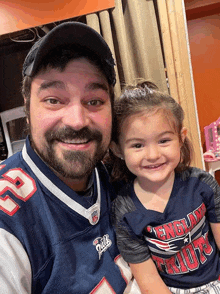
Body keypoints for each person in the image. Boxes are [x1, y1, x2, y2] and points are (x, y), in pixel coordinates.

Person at [0, 22, 134, 293]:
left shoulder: (118, 171)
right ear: (27, 107)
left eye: (94, 101)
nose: (76, 121)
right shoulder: (8, 224)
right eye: (53, 99)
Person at [109, 81, 220, 293]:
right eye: (138, 145)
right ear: (118, 149)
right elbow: (149, 281)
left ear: (181, 138)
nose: (153, 155)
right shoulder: (124, 210)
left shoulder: (202, 184)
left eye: (163, 141)